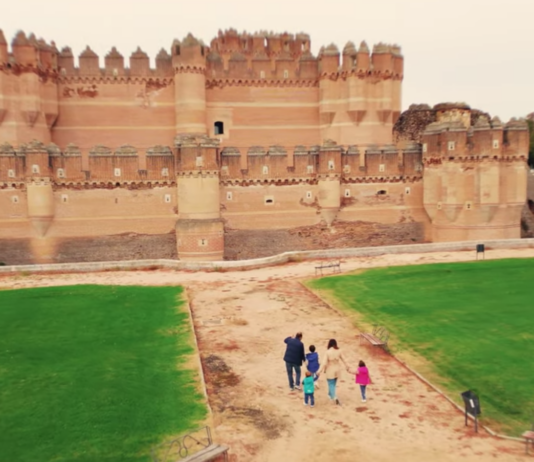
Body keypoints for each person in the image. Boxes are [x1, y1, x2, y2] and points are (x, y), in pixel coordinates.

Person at [318, 338, 348, 405]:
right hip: (337, 369)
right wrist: (348, 366)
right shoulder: (339, 351)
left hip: (330, 370)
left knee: (331, 383)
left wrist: (319, 371)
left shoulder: (327, 352)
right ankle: (330, 394)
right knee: (333, 383)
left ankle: (334, 397)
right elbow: (344, 359)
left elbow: (324, 363)